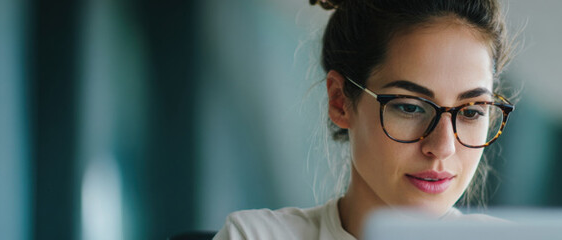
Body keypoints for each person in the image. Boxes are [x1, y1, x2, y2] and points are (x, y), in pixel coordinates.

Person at [214, 0, 515, 239]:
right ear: (340, 101)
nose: (443, 146)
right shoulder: (254, 237)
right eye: (410, 107)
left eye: (471, 112)